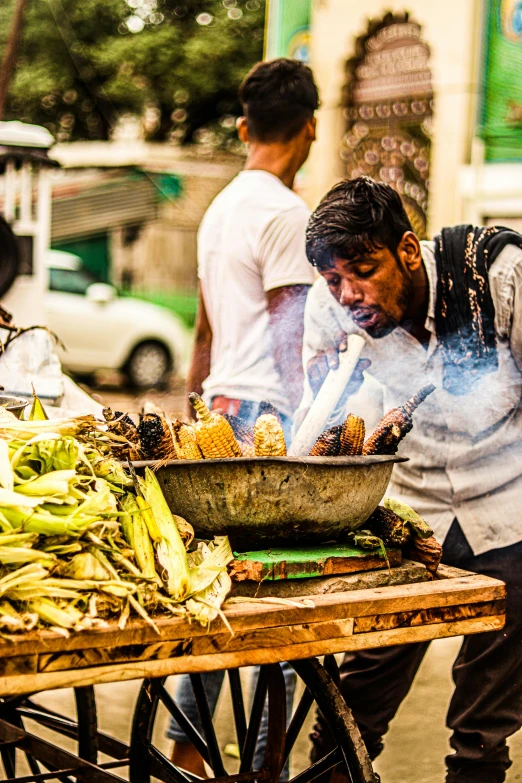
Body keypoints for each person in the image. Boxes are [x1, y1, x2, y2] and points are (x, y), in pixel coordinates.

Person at [299, 176, 522, 783]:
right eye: (333, 280)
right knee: (352, 708)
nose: (348, 294)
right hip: (409, 509)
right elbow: (325, 425)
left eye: (362, 271)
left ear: (406, 250)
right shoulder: (329, 311)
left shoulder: (501, 279)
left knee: (483, 728)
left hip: (508, 510)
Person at [169, 57, 319, 776]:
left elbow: (202, 334)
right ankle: (266, 768)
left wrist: (189, 415)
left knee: (217, 594)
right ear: (310, 129)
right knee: (283, 611)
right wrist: (319, 430)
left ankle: (185, 754)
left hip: (218, 413)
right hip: (270, 421)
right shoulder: (287, 213)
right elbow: (292, 342)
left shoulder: (220, 207)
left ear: (242, 128)